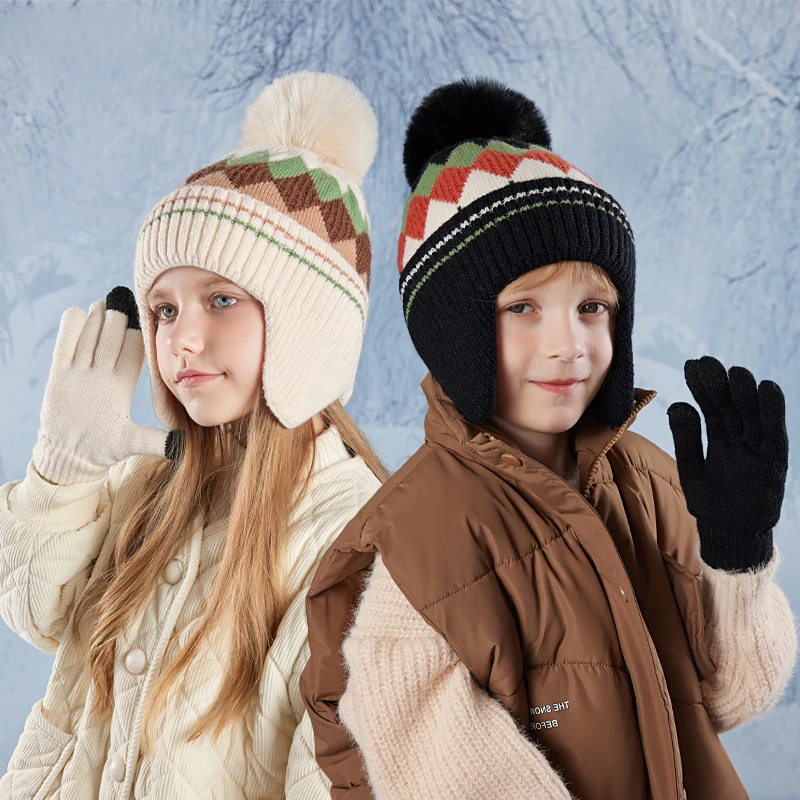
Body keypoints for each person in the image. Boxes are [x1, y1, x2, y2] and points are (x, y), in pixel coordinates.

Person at [300, 78, 797, 799]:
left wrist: (738, 560)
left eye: (592, 307)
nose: (570, 345)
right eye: (524, 307)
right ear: (454, 330)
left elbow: (733, 697)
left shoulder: (653, 484)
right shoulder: (419, 545)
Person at [0, 71, 385, 799]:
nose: (181, 339)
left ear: (311, 327)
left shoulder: (358, 541)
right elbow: (34, 612)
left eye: (221, 299)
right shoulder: (147, 483)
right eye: (165, 309)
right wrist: (61, 472)